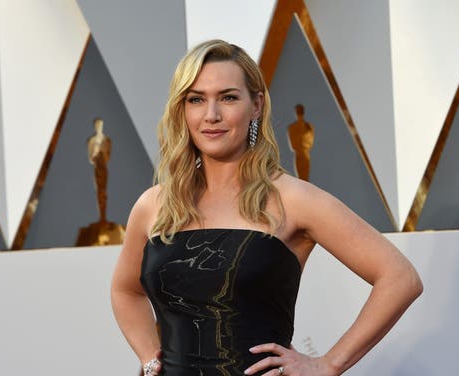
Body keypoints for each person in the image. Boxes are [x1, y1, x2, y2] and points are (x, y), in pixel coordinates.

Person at [111, 40, 422, 376]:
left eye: (228, 97)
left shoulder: (293, 199)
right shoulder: (155, 204)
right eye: (196, 99)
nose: (211, 115)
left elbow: (400, 277)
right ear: (181, 109)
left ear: (256, 105)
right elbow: (125, 291)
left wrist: (329, 363)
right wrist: (150, 358)